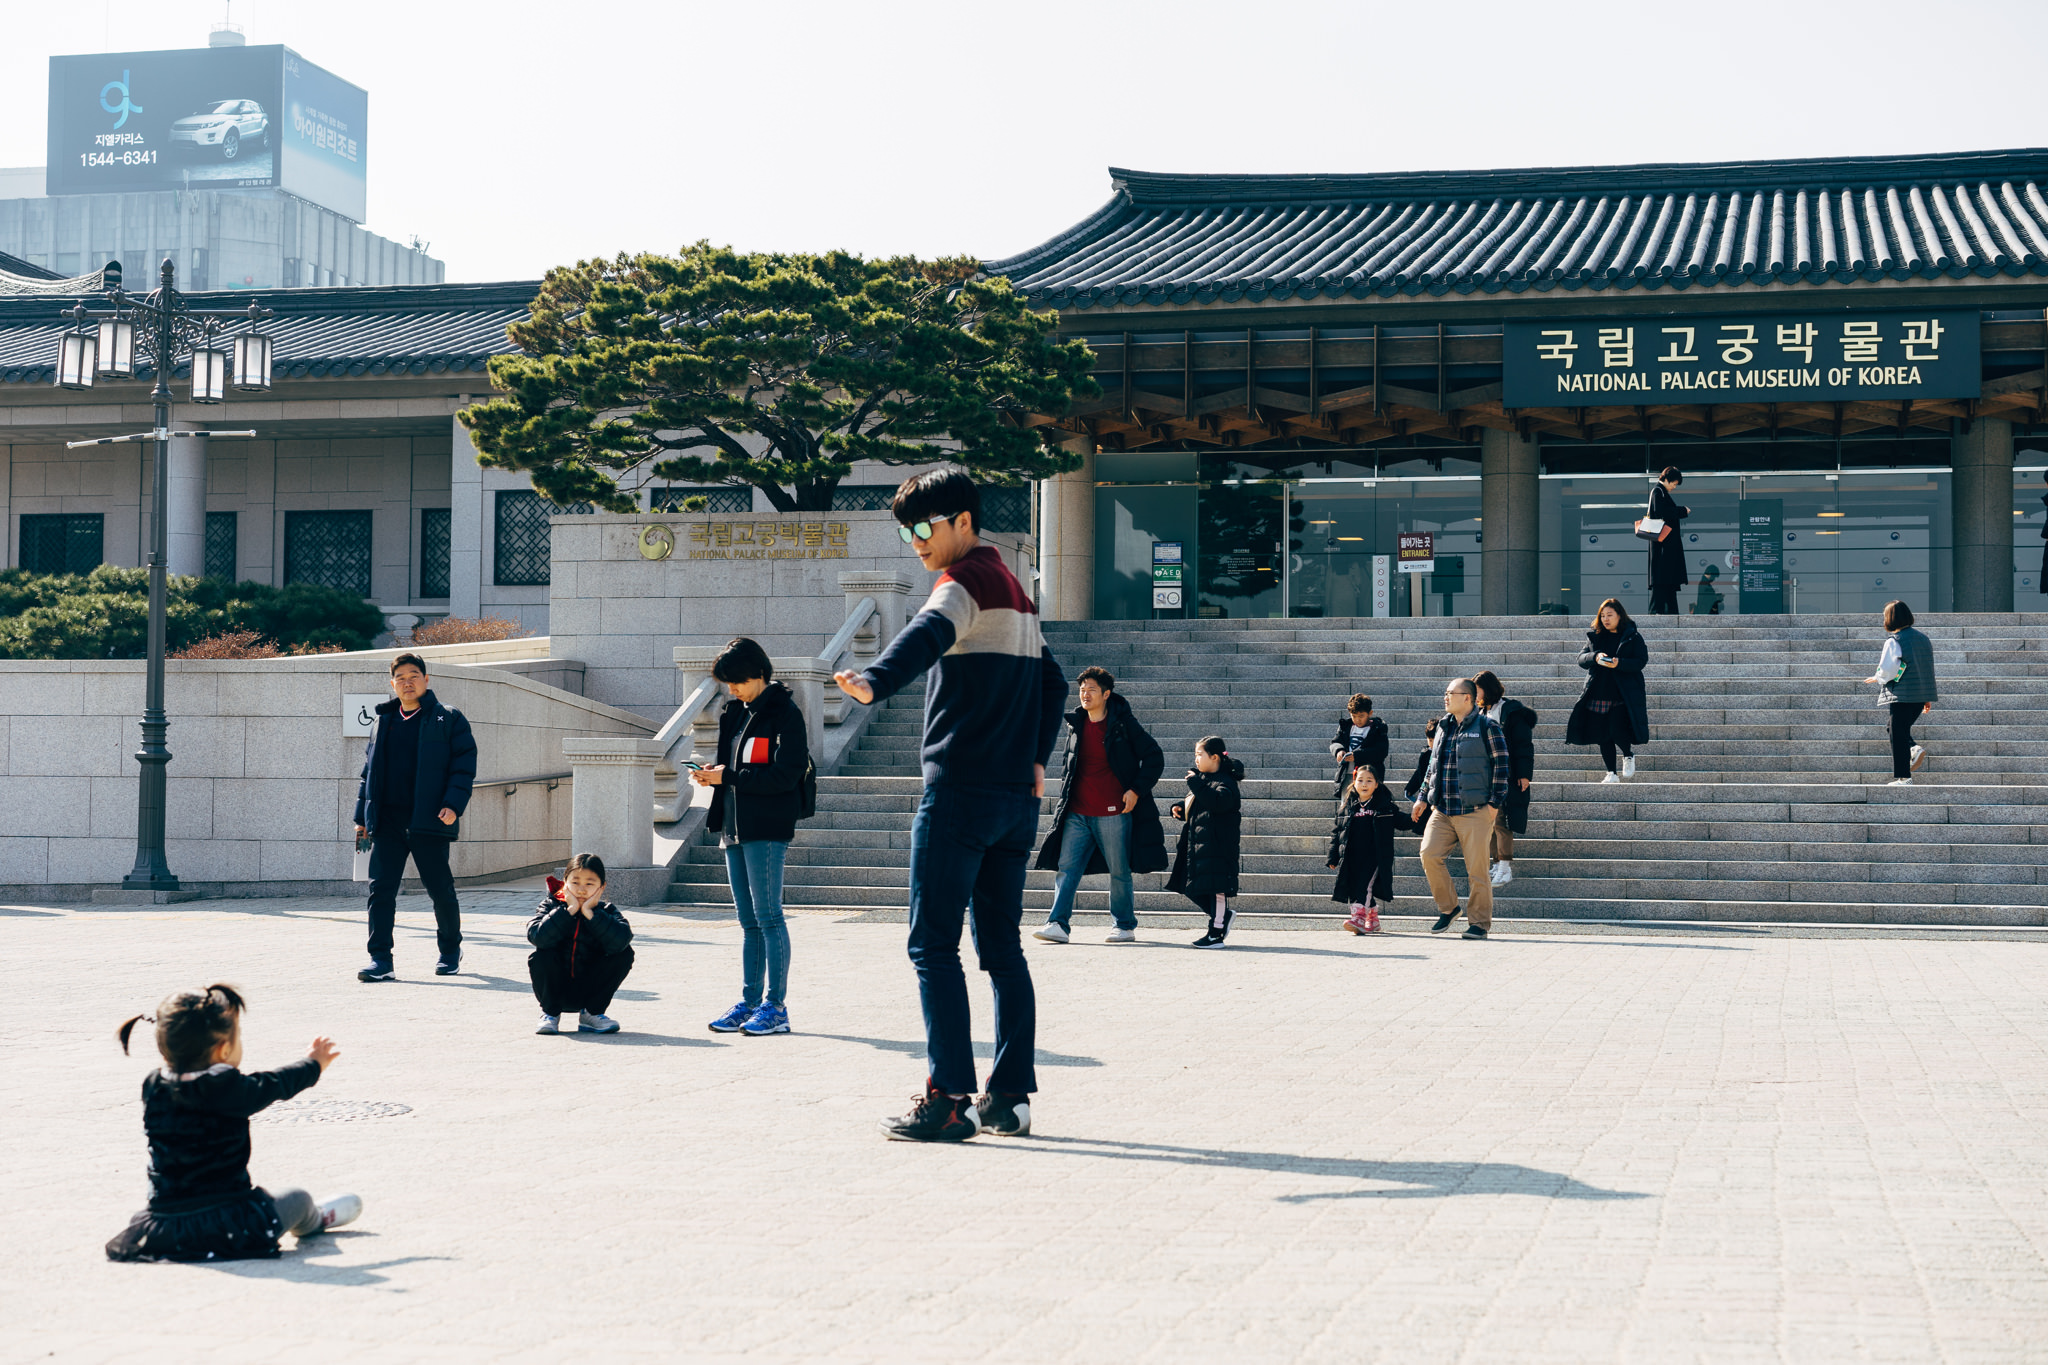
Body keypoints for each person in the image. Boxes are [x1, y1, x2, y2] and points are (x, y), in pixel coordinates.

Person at [833, 469, 1065, 1143]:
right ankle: (1011, 1098)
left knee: (932, 944)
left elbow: (927, 632)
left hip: (959, 793)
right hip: (1012, 804)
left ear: (963, 520)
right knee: (1001, 949)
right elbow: (1052, 680)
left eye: (923, 528)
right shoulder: (1017, 592)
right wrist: (1036, 761)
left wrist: (876, 679)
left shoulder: (962, 581)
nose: (915, 543)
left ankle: (949, 1098)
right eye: (905, 531)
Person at [107, 984, 359, 1262]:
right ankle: (315, 1220)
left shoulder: (153, 1086)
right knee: (298, 1199)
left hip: (167, 1225)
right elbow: (275, 1084)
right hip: (231, 1224)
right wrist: (313, 1064)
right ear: (224, 1049)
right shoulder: (227, 1088)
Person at [694, 636, 809, 1035]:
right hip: (733, 828)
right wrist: (714, 774)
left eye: (738, 681)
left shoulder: (785, 714)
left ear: (758, 674)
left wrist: (728, 776)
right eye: (728, 683)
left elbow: (786, 775)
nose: (733, 689)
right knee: (748, 922)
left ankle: (775, 1007)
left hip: (767, 828)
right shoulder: (734, 713)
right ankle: (749, 1002)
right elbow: (732, 768)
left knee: (770, 917)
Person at [353, 652, 477, 983]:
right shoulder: (383, 721)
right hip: (388, 822)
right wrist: (361, 818)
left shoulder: (447, 718)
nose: (407, 682)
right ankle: (381, 959)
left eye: (414, 675)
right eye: (400, 678)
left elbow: (463, 766)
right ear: (392, 683)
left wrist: (453, 804)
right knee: (380, 890)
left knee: (440, 890)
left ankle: (450, 951)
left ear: (426, 680)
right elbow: (369, 773)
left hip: (429, 820)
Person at [1033, 665, 1166, 945]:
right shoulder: (1076, 724)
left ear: (1106, 694)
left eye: (1092, 689)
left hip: (1113, 813)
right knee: (1066, 868)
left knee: (1119, 871)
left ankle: (1124, 925)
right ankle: (1057, 924)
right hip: (1077, 812)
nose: (1085, 694)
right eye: (1082, 689)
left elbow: (1154, 756)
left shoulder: (1123, 724)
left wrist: (1135, 790)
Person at [1413, 678, 1509, 940]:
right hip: (1442, 809)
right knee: (1429, 855)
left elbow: (1501, 765)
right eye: (1445, 693)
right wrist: (1423, 797)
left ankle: (1479, 923)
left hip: (1475, 810)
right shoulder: (1443, 726)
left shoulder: (1487, 726)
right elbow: (1432, 766)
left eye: (1450, 693)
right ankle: (1450, 908)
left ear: (1467, 697)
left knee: (1477, 870)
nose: (1445, 697)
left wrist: (1494, 804)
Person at [527, 853, 635, 1035]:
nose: (581, 890)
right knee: (541, 954)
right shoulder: (550, 906)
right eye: (575, 882)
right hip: (556, 990)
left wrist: (591, 914)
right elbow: (537, 936)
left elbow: (621, 941)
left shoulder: (607, 911)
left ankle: (592, 1015)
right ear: (565, 882)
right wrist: (568, 911)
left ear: (602, 887)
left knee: (625, 952)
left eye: (589, 883)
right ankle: (550, 1015)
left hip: (590, 992)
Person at [1167, 736, 1244, 947]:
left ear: (1215, 757)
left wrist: (1195, 783)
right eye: (1195, 755)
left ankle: (1216, 933)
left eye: (1200, 754)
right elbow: (1200, 804)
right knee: (1188, 885)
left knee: (1217, 889)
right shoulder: (1204, 780)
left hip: (1218, 847)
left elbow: (1217, 802)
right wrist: (1180, 808)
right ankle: (1223, 918)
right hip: (1198, 846)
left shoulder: (1226, 782)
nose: (1197, 759)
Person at [1565, 599, 1650, 783]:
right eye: (1602, 616)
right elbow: (1580, 659)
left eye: (1610, 615)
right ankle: (1611, 773)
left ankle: (1627, 755)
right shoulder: (1595, 636)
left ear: (1620, 615)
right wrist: (1595, 656)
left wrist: (1620, 663)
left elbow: (1641, 661)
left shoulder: (1632, 636)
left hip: (1622, 692)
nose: (1605, 619)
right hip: (1598, 690)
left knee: (1617, 729)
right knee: (1602, 734)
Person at [1327, 764, 1416, 933]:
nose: (1364, 784)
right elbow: (1337, 831)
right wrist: (1333, 856)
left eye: (1369, 780)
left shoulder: (1384, 806)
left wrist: (1418, 815)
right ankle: (1373, 919)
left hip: (1375, 856)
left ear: (1377, 784)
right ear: (1354, 782)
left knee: (1364, 886)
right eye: (1360, 780)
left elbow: (1403, 821)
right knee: (1354, 885)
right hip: (1352, 856)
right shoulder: (1348, 806)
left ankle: (1359, 919)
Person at [1472, 671, 1538, 887]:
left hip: (1505, 774)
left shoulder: (1510, 711)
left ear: (1487, 689)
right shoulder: (1480, 712)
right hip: (1485, 775)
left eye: (1477, 690)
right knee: (1488, 821)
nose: (1474, 695)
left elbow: (1523, 744)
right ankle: (1496, 862)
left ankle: (1505, 867)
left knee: (1501, 821)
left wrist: (1524, 774)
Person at [1863, 600, 1938, 785]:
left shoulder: (1894, 641)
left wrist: (1878, 678)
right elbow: (1926, 668)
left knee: (1896, 732)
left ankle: (1904, 777)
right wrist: (1926, 697)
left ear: (1890, 619)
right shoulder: (1923, 639)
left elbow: (1889, 668)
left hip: (1902, 695)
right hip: (1919, 695)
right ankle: (1913, 749)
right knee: (1894, 728)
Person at [1643, 466, 1690, 616]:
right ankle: (1659, 614)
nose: (1674, 487)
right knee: (1663, 580)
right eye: (1674, 484)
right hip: (1663, 547)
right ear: (1667, 480)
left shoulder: (1659, 492)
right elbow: (1663, 512)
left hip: (1663, 546)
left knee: (1666, 581)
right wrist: (1682, 511)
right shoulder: (1658, 492)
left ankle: (1670, 613)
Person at [1329, 693, 1389, 806]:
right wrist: (1339, 750)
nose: (1357, 720)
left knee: (1369, 805)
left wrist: (1358, 755)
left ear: (1370, 713)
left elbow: (1381, 751)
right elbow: (1335, 742)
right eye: (1354, 716)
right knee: (1346, 806)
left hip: (1369, 776)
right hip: (1347, 773)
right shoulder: (1346, 726)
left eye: (1361, 716)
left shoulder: (1378, 728)